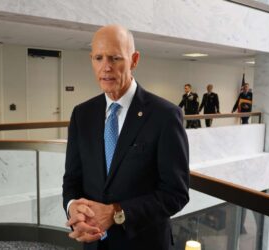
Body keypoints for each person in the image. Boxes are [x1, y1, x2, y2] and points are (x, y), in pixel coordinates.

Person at [62, 25, 190, 250]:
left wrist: (117, 213)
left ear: (134, 59)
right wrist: (73, 207)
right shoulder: (82, 114)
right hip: (94, 245)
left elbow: (175, 194)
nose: (106, 67)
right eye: (99, 58)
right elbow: (72, 180)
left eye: (115, 58)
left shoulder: (165, 116)